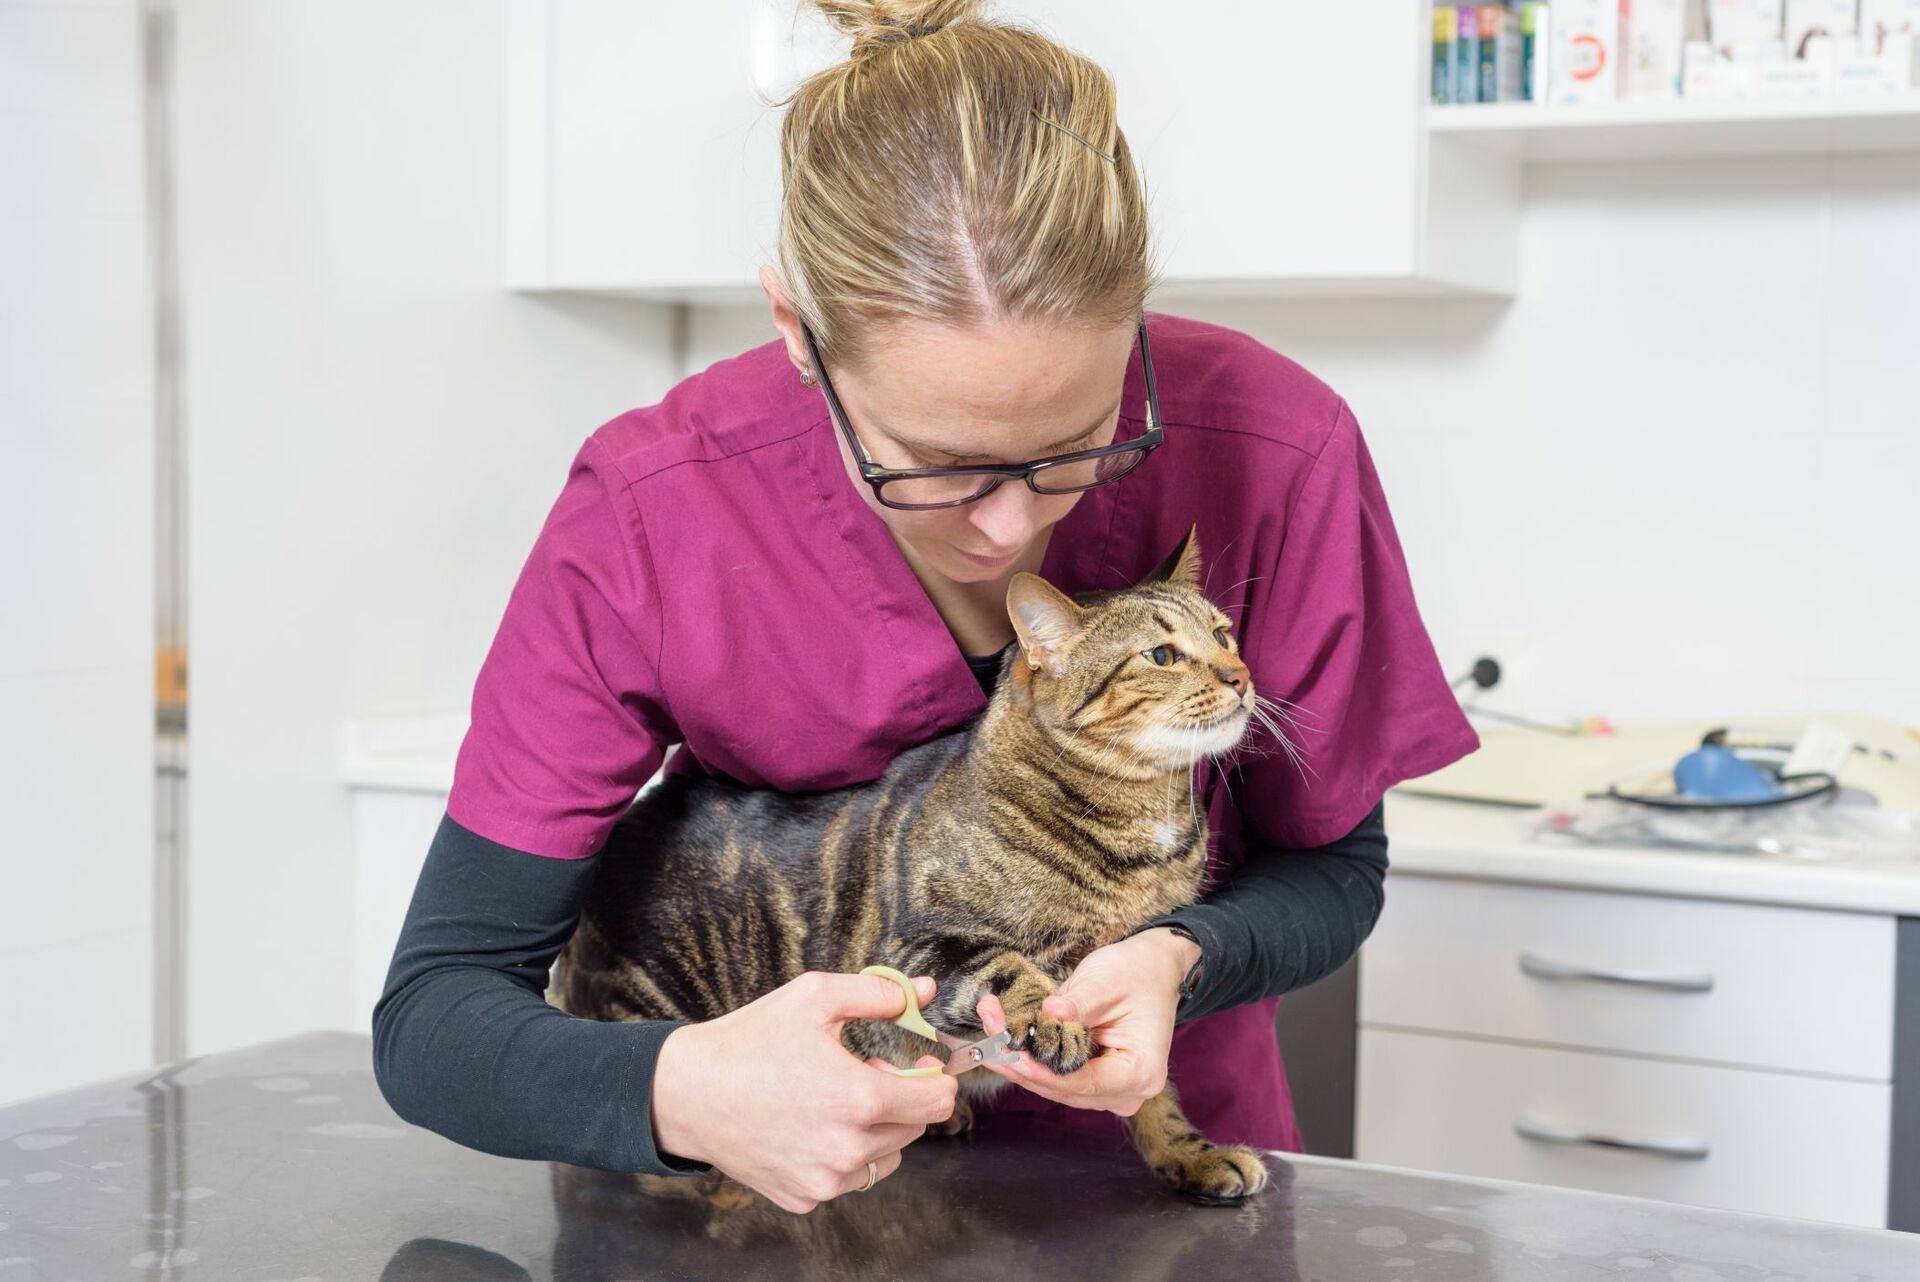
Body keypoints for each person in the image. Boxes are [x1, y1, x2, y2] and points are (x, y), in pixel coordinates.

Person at [372, 0, 1478, 1216]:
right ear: (798, 331)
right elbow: (437, 1014)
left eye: (1080, 446)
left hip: (1146, 1197)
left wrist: (1185, 955)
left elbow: (1338, 864)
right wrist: (685, 1094)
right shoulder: (650, 510)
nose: (1012, 530)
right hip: (747, 1209)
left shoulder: (1278, 443)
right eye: (934, 466)